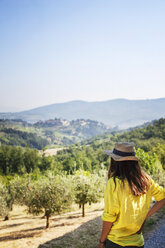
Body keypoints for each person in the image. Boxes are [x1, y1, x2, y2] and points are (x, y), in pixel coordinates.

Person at [99, 142, 165, 248]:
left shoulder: (114, 183)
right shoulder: (146, 180)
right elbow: (163, 197)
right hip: (138, 243)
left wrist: (102, 241)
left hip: (116, 242)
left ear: (115, 161)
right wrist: (145, 216)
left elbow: (109, 216)